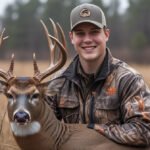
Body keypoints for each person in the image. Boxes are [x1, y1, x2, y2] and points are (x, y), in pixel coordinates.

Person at [46, 3, 150, 147]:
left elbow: (144, 131)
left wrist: (94, 131)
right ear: (71, 37)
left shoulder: (128, 79)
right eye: (80, 33)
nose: (87, 39)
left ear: (106, 34)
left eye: (94, 32)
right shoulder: (58, 82)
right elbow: (43, 129)